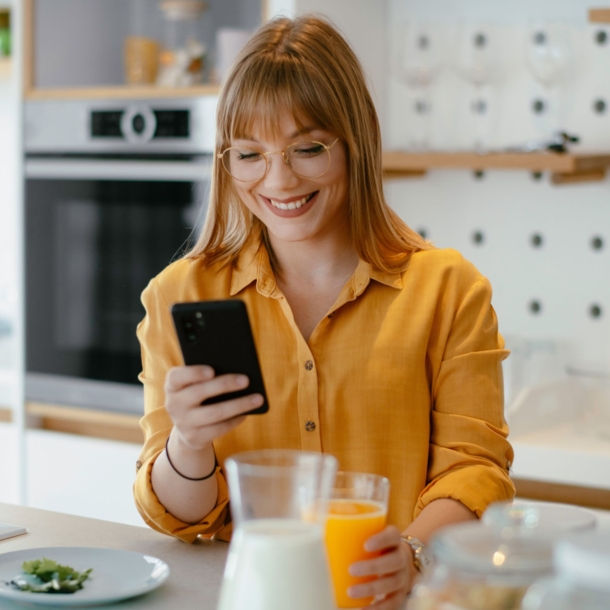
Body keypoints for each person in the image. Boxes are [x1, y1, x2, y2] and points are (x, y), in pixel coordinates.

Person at [134, 14, 514, 608]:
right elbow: (177, 519)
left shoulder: (449, 289)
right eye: (250, 154)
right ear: (225, 161)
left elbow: (476, 471)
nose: (278, 179)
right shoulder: (178, 295)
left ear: (355, 141)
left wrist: (410, 555)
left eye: (307, 148)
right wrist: (188, 441)